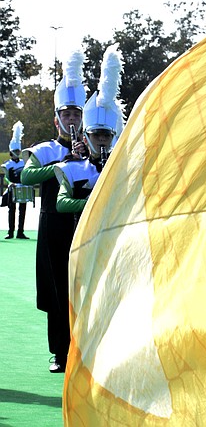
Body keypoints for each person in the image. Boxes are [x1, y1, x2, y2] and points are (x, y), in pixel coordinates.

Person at [21, 49, 88, 373]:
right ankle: (60, 353)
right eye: (66, 114)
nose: (71, 120)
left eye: (76, 114)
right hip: (53, 225)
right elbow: (27, 176)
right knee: (56, 290)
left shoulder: (89, 147)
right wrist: (62, 164)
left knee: (83, 288)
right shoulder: (46, 149)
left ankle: (85, 350)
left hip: (83, 223)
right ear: (56, 119)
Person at [54, 47, 125, 221]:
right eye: (96, 135)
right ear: (85, 138)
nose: (101, 139)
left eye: (106, 136)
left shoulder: (120, 168)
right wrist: (89, 203)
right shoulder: (73, 166)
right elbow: (61, 203)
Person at [3, 121, 29, 239]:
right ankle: (10, 232)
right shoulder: (8, 164)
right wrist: (10, 183)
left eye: (19, 151)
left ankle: (20, 232)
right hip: (12, 189)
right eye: (16, 152)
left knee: (22, 210)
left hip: (22, 188)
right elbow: (6, 177)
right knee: (11, 210)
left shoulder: (24, 163)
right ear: (11, 152)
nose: (17, 153)